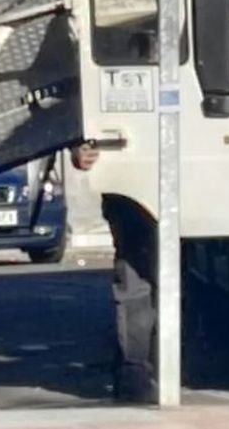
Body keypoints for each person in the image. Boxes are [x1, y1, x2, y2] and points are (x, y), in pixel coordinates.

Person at [71, 141, 157, 402]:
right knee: (137, 280)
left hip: (131, 187)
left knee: (137, 283)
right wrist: (80, 148)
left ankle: (138, 374)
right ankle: (137, 374)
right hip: (129, 190)